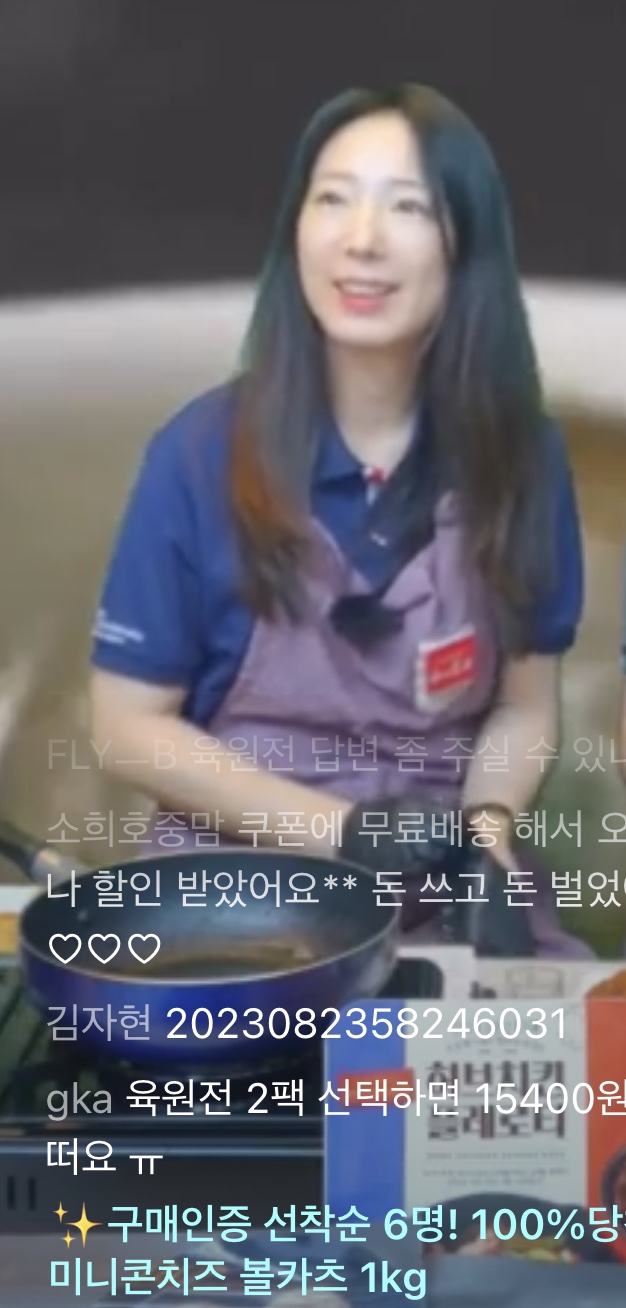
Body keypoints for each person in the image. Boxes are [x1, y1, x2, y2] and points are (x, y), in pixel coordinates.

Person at [89, 83, 594, 959]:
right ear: (296, 230)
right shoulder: (198, 455)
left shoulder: (523, 458)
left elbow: (522, 709)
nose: (362, 239)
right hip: (236, 897)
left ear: (466, 245)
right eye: (333, 199)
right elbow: (126, 729)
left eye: (408, 208)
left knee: (558, 1038)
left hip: (443, 883)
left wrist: (485, 840)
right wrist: (346, 831)